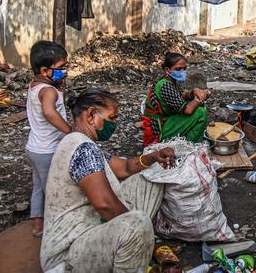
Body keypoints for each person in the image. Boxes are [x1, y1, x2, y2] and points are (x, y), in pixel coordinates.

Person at [41, 88, 176, 272]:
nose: (114, 124)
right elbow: (104, 204)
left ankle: (133, 243)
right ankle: (136, 248)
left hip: (90, 229)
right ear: (90, 115)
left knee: (150, 179)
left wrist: (153, 157)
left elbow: (125, 168)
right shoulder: (83, 149)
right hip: (68, 255)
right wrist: (140, 231)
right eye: (112, 118)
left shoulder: (84, 144)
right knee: (137, 224)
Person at [25, 41, 71, 237]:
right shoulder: (49, 91)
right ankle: (58, 230)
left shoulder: (35, 87)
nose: (65, 72)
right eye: (61, 68)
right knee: (54, 191)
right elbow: (49, 113)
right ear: (45, 70)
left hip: (34, 148)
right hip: (47, 151)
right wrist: (70, 131)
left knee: (38, 188)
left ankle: (37, 226)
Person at [142, 52, 210, 146]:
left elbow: (182, 95)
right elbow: (188, 110)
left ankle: (186, 139)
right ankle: (189, 145)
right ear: (167, 70)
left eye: (184, 69)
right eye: (178, 69)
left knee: (197, 105)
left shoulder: (169, 81)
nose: (182, 72)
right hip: (157, 129)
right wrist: (200, 98)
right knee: (200, 112)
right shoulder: (165, 85)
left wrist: (194, 91)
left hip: (164, 120)